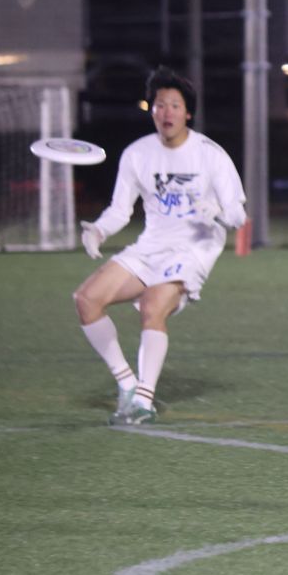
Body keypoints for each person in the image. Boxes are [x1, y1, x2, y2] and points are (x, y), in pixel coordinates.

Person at [73, 66, 247, 425]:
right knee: (86, 299)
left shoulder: (210, 154)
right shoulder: (137, 154)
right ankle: (126, 384)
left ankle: (143, 400)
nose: (167, 112)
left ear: (188, 113)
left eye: (175, 106)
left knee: (153, 306)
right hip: (151, 246)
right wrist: (99, 231)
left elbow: (238, 215)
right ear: (151, 110)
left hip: (193, 249)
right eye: (160, 105)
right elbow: (120, 210)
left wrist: (217, 211)